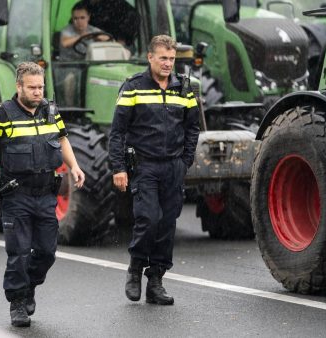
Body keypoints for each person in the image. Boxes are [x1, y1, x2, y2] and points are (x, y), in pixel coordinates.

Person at [0, 62, 85, 327]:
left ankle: (29, 285)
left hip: (45, 194)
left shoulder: (50, 110)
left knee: (46, 252)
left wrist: (74, 166)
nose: (37, 92)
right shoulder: (2, 114)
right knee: (19, 252)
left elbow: (63, 139)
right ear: (18, 86)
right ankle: (17, 302)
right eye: (31, 87)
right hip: (16, 195)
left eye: (40, 87)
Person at [108, 35, 200, 305]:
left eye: (172, 59)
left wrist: (186, 160)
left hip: (173, 166)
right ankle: (135, 270)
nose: (168, 63)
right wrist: (119, 168)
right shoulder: (133, 87)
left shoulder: (184, 88)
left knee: (167, 226)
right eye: (163, 58)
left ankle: (156, 281)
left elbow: (193, 127)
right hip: (145, 165)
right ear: (150, 57)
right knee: (148, 219)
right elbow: (117, 132)